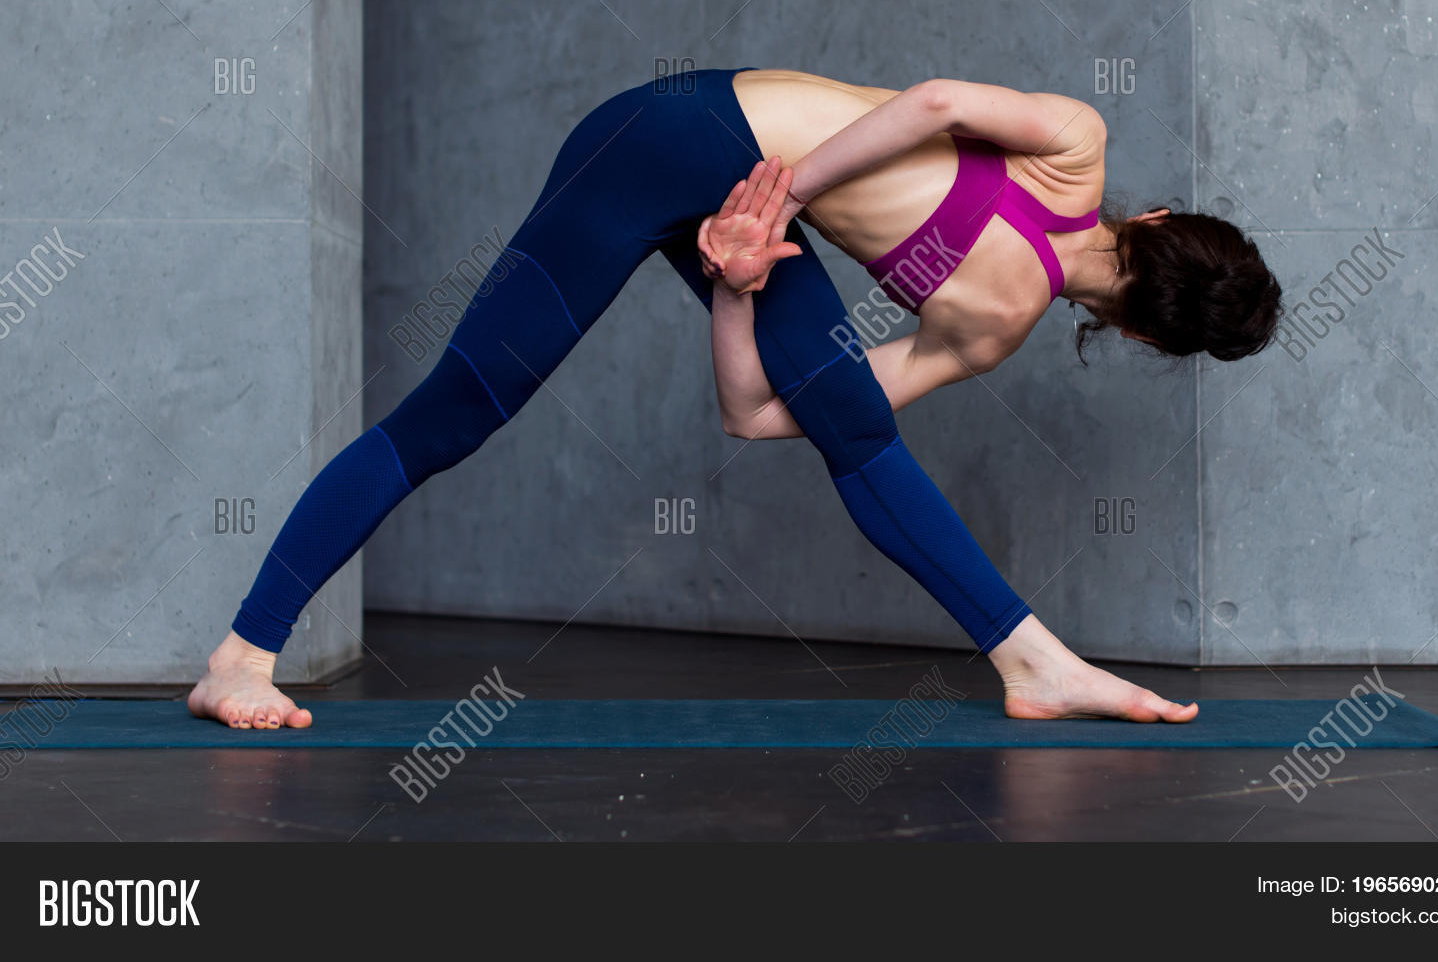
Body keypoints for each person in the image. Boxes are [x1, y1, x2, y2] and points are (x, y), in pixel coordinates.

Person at [188, 68, 1281, 730]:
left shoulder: (1070, 158)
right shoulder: (1013, 275)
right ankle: (239, 656)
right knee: (466, 406)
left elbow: (754, 411)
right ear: (1140, 333)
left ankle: (1032, 662)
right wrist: (787, 195)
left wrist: (741, 274)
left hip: (742, 211)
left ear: (1158, 219)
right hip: (677, 134)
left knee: (846, 424)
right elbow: (935, 107)